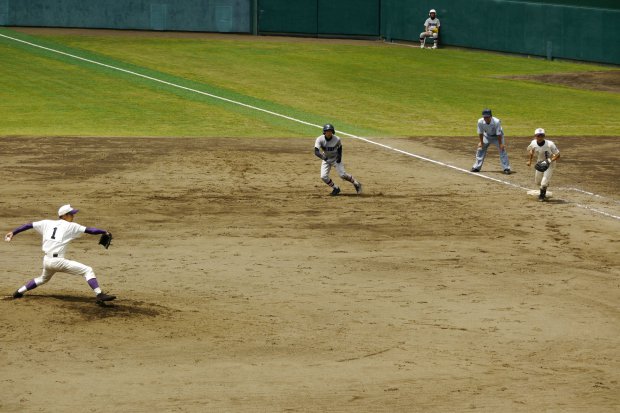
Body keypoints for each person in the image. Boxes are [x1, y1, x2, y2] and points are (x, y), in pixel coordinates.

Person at [5, 204, 116, 303]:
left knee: (43, 279)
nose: (73, 216)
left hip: (47, 261)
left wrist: (13, 232)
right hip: (58, 262)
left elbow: (28, 225)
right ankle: (99, 294)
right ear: (65, 215)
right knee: (88, 270)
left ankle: (19, 292)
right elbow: (90, 230)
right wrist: (104, 231)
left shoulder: (46, 223)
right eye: (71, 214)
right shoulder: (71, 226)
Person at [314, 124, 362, 196]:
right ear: (324, 132)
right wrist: (325, 159)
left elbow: (340, 148)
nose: (329, 133)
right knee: (323, 176)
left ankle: (356, 183)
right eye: (327, 131)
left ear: (333, 132)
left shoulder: (337, 139)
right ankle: (336, 188)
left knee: (342, 175)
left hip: (335, 158)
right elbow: (316, 152)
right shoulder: (320, 139)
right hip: (326, 159)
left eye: (330, 131)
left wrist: (339, 157)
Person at [471, 108, 511, 174]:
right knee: (480, 149)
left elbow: (498, 133)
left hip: (497, 137)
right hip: (487, 136)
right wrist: (481, 142)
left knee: (502, 150)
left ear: (491, 116)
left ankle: (506, 168)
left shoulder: (496, 121)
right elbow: (480, 133)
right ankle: (476, 167)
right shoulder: (480, 121)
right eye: (484, 117)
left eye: (487, 117)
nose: (486, 118)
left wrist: (500, 144)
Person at [527, 128, 560, 201]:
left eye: (541, 135)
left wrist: (549, 161)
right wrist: (530, 161)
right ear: (535, 136)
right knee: (537, 182)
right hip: (540, 163)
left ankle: (542, 196)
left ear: (544, 136)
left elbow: (558, 155)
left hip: (550, 164)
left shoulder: (550, 144)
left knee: (543, 183)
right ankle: (545, 185)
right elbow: (531, 150)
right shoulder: (533, 143)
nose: (540, 137)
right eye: (538, 136)